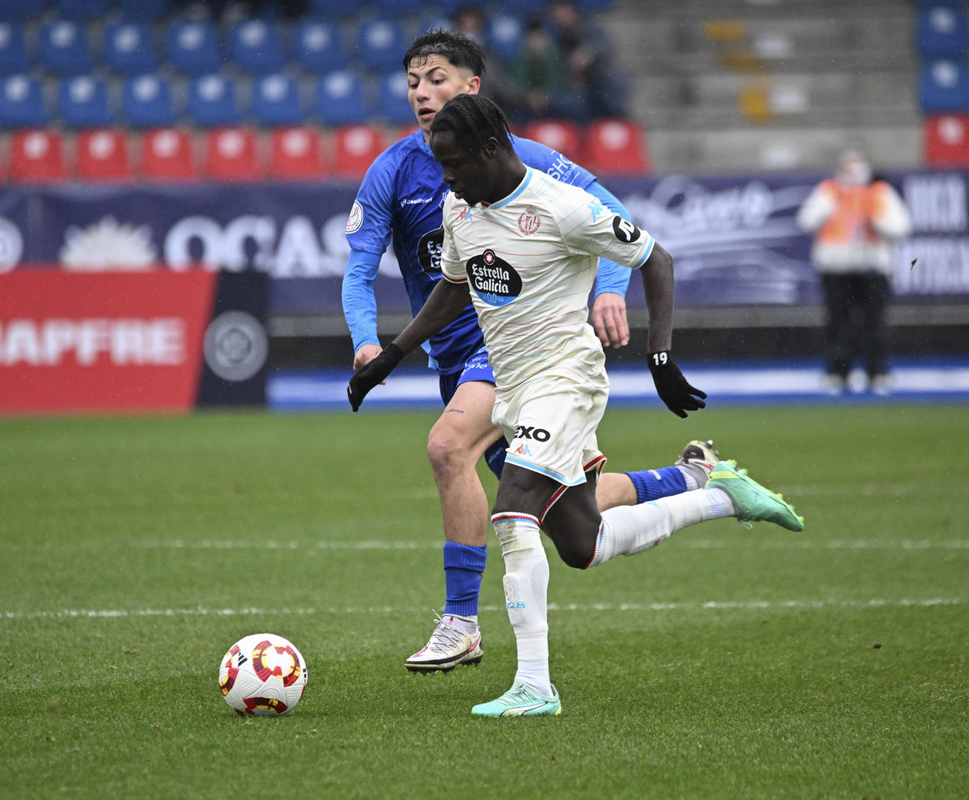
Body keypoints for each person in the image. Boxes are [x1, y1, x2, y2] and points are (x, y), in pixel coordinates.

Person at [348, 93, 804, 716]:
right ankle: (720, 493)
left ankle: (535, 685)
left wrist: (661, 358)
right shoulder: (462, 208)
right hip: (513, 390)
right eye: (438, 166)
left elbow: (655, 259)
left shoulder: (562, 207)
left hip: (566, 382)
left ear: (491, 149)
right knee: (583, 543)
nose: (445, 179)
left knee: (512, 511)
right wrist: (391, 358)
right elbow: (454, 288)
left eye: (453, 164)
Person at [796, 149, 911, 395]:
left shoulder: (879, 192)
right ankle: (838, 373)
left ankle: (877, 372)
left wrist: (873, 216)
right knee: (839, 323)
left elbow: (901, 227)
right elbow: (806, 220)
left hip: (872, 268)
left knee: (873, 323)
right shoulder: (829, 191)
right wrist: (835, 201)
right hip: (837, 269)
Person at [547, 0, 628, 121]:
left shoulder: (589, 27)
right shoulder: (557, 38)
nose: (559, 17)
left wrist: (586, 53)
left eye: (562, 11)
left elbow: (603, 45)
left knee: (613, 97)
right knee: (569, 103)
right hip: (578, 88)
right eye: (556, 13)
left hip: (602, 81)